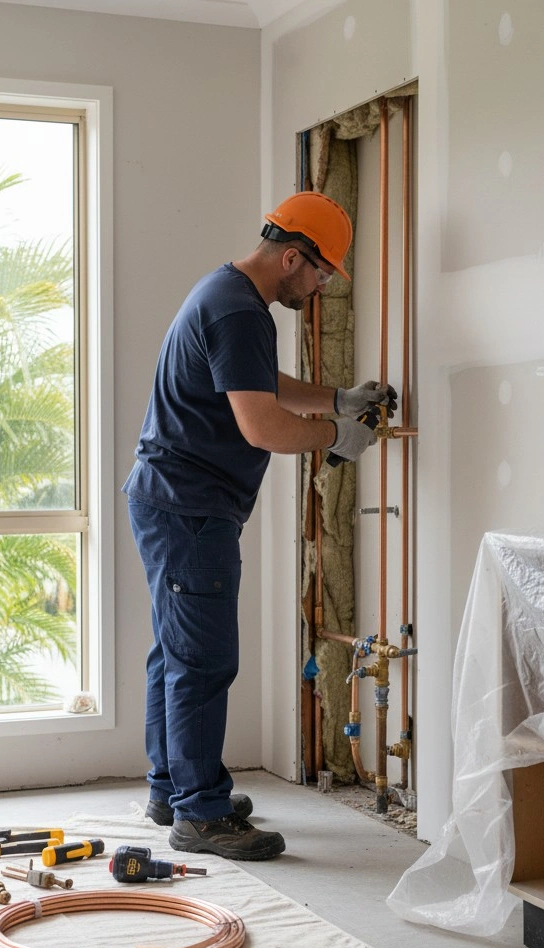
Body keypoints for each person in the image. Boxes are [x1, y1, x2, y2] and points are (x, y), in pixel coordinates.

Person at [123, 191, 396, 860]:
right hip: (191, 511)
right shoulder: (242, 311)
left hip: (168, 500)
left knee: (176, 652)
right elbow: (262, 424)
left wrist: (335, 398)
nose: (322, 284)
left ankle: (173, 788)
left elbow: (253, 384)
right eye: (322, 271)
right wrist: (338, 436)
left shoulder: (226, 293)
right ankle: (201, 814)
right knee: (203, 659)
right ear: (293, 256)